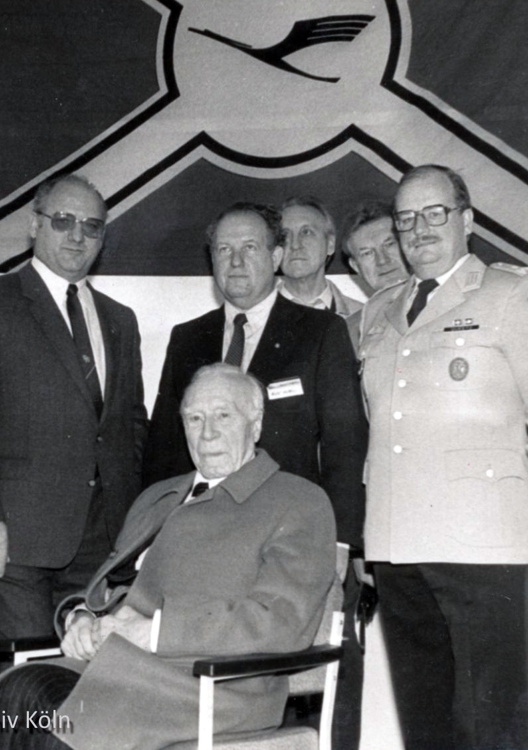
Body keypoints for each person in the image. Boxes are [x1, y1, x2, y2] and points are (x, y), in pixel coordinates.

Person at [0, 364, 337, 750]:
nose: (207, 433)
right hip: (119, 671)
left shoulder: (297, 501)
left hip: (209, 688)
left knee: (56, 719)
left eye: (223, 415)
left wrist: (152, 632)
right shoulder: (157, 496)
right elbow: (107, 589)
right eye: (194, 418)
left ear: (255, 425)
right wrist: (81, 618)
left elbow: (281, 622)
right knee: (20, 692)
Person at [360, 164, 528, 750]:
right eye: (406, 219)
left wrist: (521, 497)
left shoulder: (510, 294)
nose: (419, 229)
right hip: (397, 545)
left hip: (483, 545)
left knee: (494, 729)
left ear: (467, 220)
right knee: (427, 727)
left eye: (435, 213)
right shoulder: (377, 310)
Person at [142, 202, 367, 749]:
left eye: (249, 248)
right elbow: (166, 452)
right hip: (203, 555)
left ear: (277, 256)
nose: (236, 261)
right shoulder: (187, 336)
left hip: (288, 546)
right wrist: (149, 540)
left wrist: (338, 545)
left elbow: (344, 445)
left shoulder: (320, 332)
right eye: (223, 249)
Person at [0, 173, 148, 680]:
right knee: (30, 680)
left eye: (92, 227)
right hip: (13, 540)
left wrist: (134, 530)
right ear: (34, 225)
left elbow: (130, 427)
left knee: (88, 684)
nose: (77, 236)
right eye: (64, 221)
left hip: (101, 544)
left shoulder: (121, 319)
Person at [279, 195, 362, 316]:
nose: (295, 245)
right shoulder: (249, 317)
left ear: (330, 244)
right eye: (285, 235)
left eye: (306, 232)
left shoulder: (363, 319)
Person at [341, 200, 410, 345]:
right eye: (367, 253)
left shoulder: (442, 305)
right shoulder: (348, 334)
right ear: (355, 267)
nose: (382, 260)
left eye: (389, 244)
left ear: (408, 244)